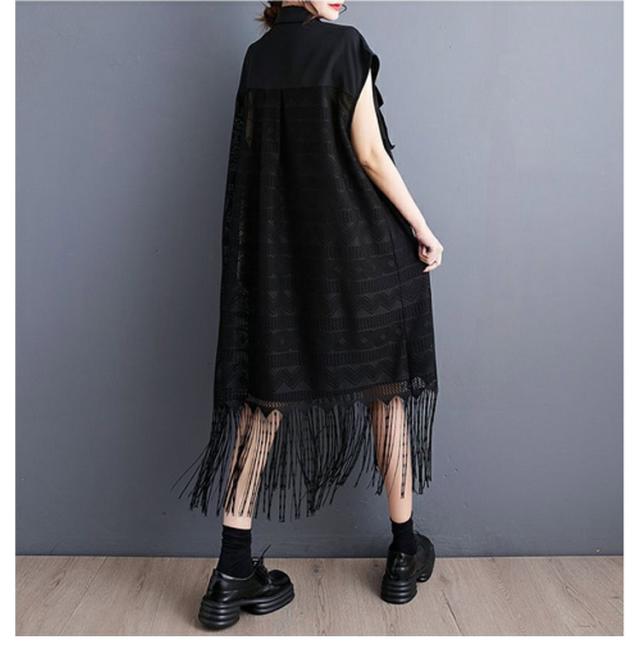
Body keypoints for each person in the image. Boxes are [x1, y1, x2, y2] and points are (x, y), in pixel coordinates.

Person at [179, 1, 443, 630]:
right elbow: (371, 155)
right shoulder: (345, 47)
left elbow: (256, 172)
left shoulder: (257, 59)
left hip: (282, 267)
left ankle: (230, 572)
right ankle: (402, 555)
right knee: (386, 393)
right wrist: (422, 227)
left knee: (262, 404)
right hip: (359, 256)